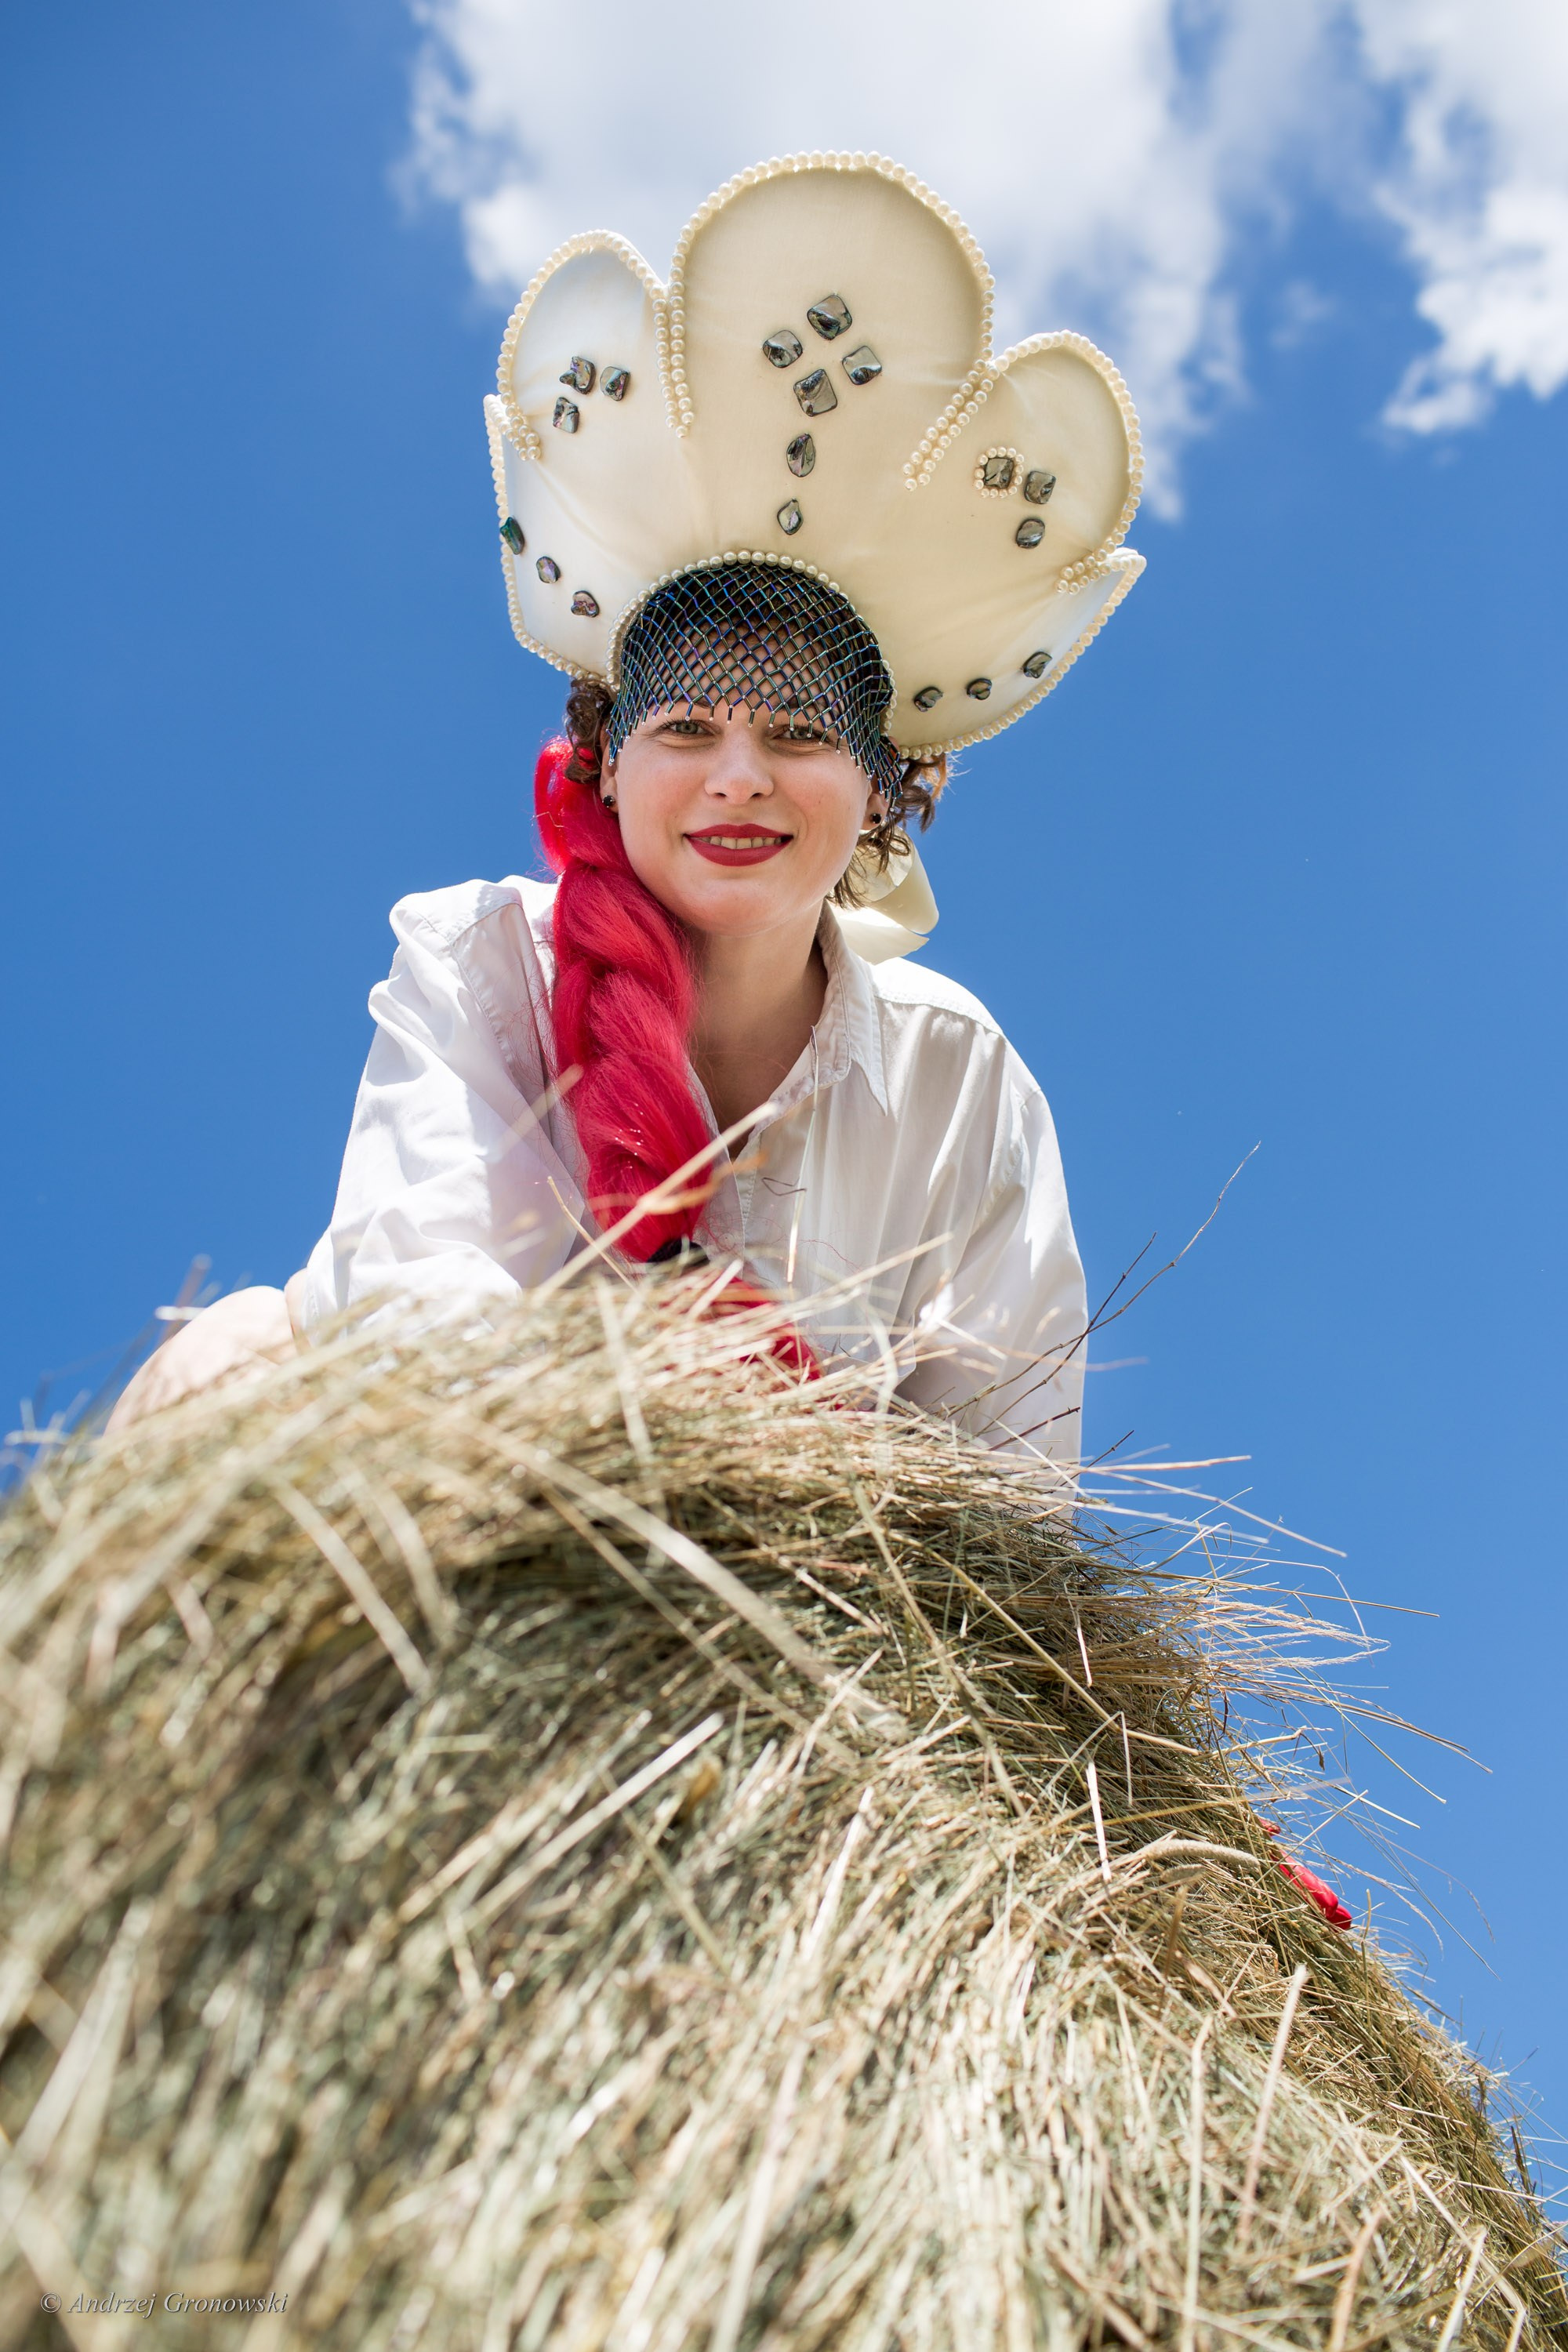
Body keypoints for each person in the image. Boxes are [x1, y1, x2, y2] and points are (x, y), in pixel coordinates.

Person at [110, 154, 1145, 1467]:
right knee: (230, 1349)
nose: (739, 777)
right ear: (604, 765)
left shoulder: (963, 1083)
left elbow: (1006, 1482)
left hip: (805, 1624)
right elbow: (425, 1322)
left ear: (884, 789)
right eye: (687, 728)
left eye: (801, 734)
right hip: (453, 1516)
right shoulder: (479, 961)